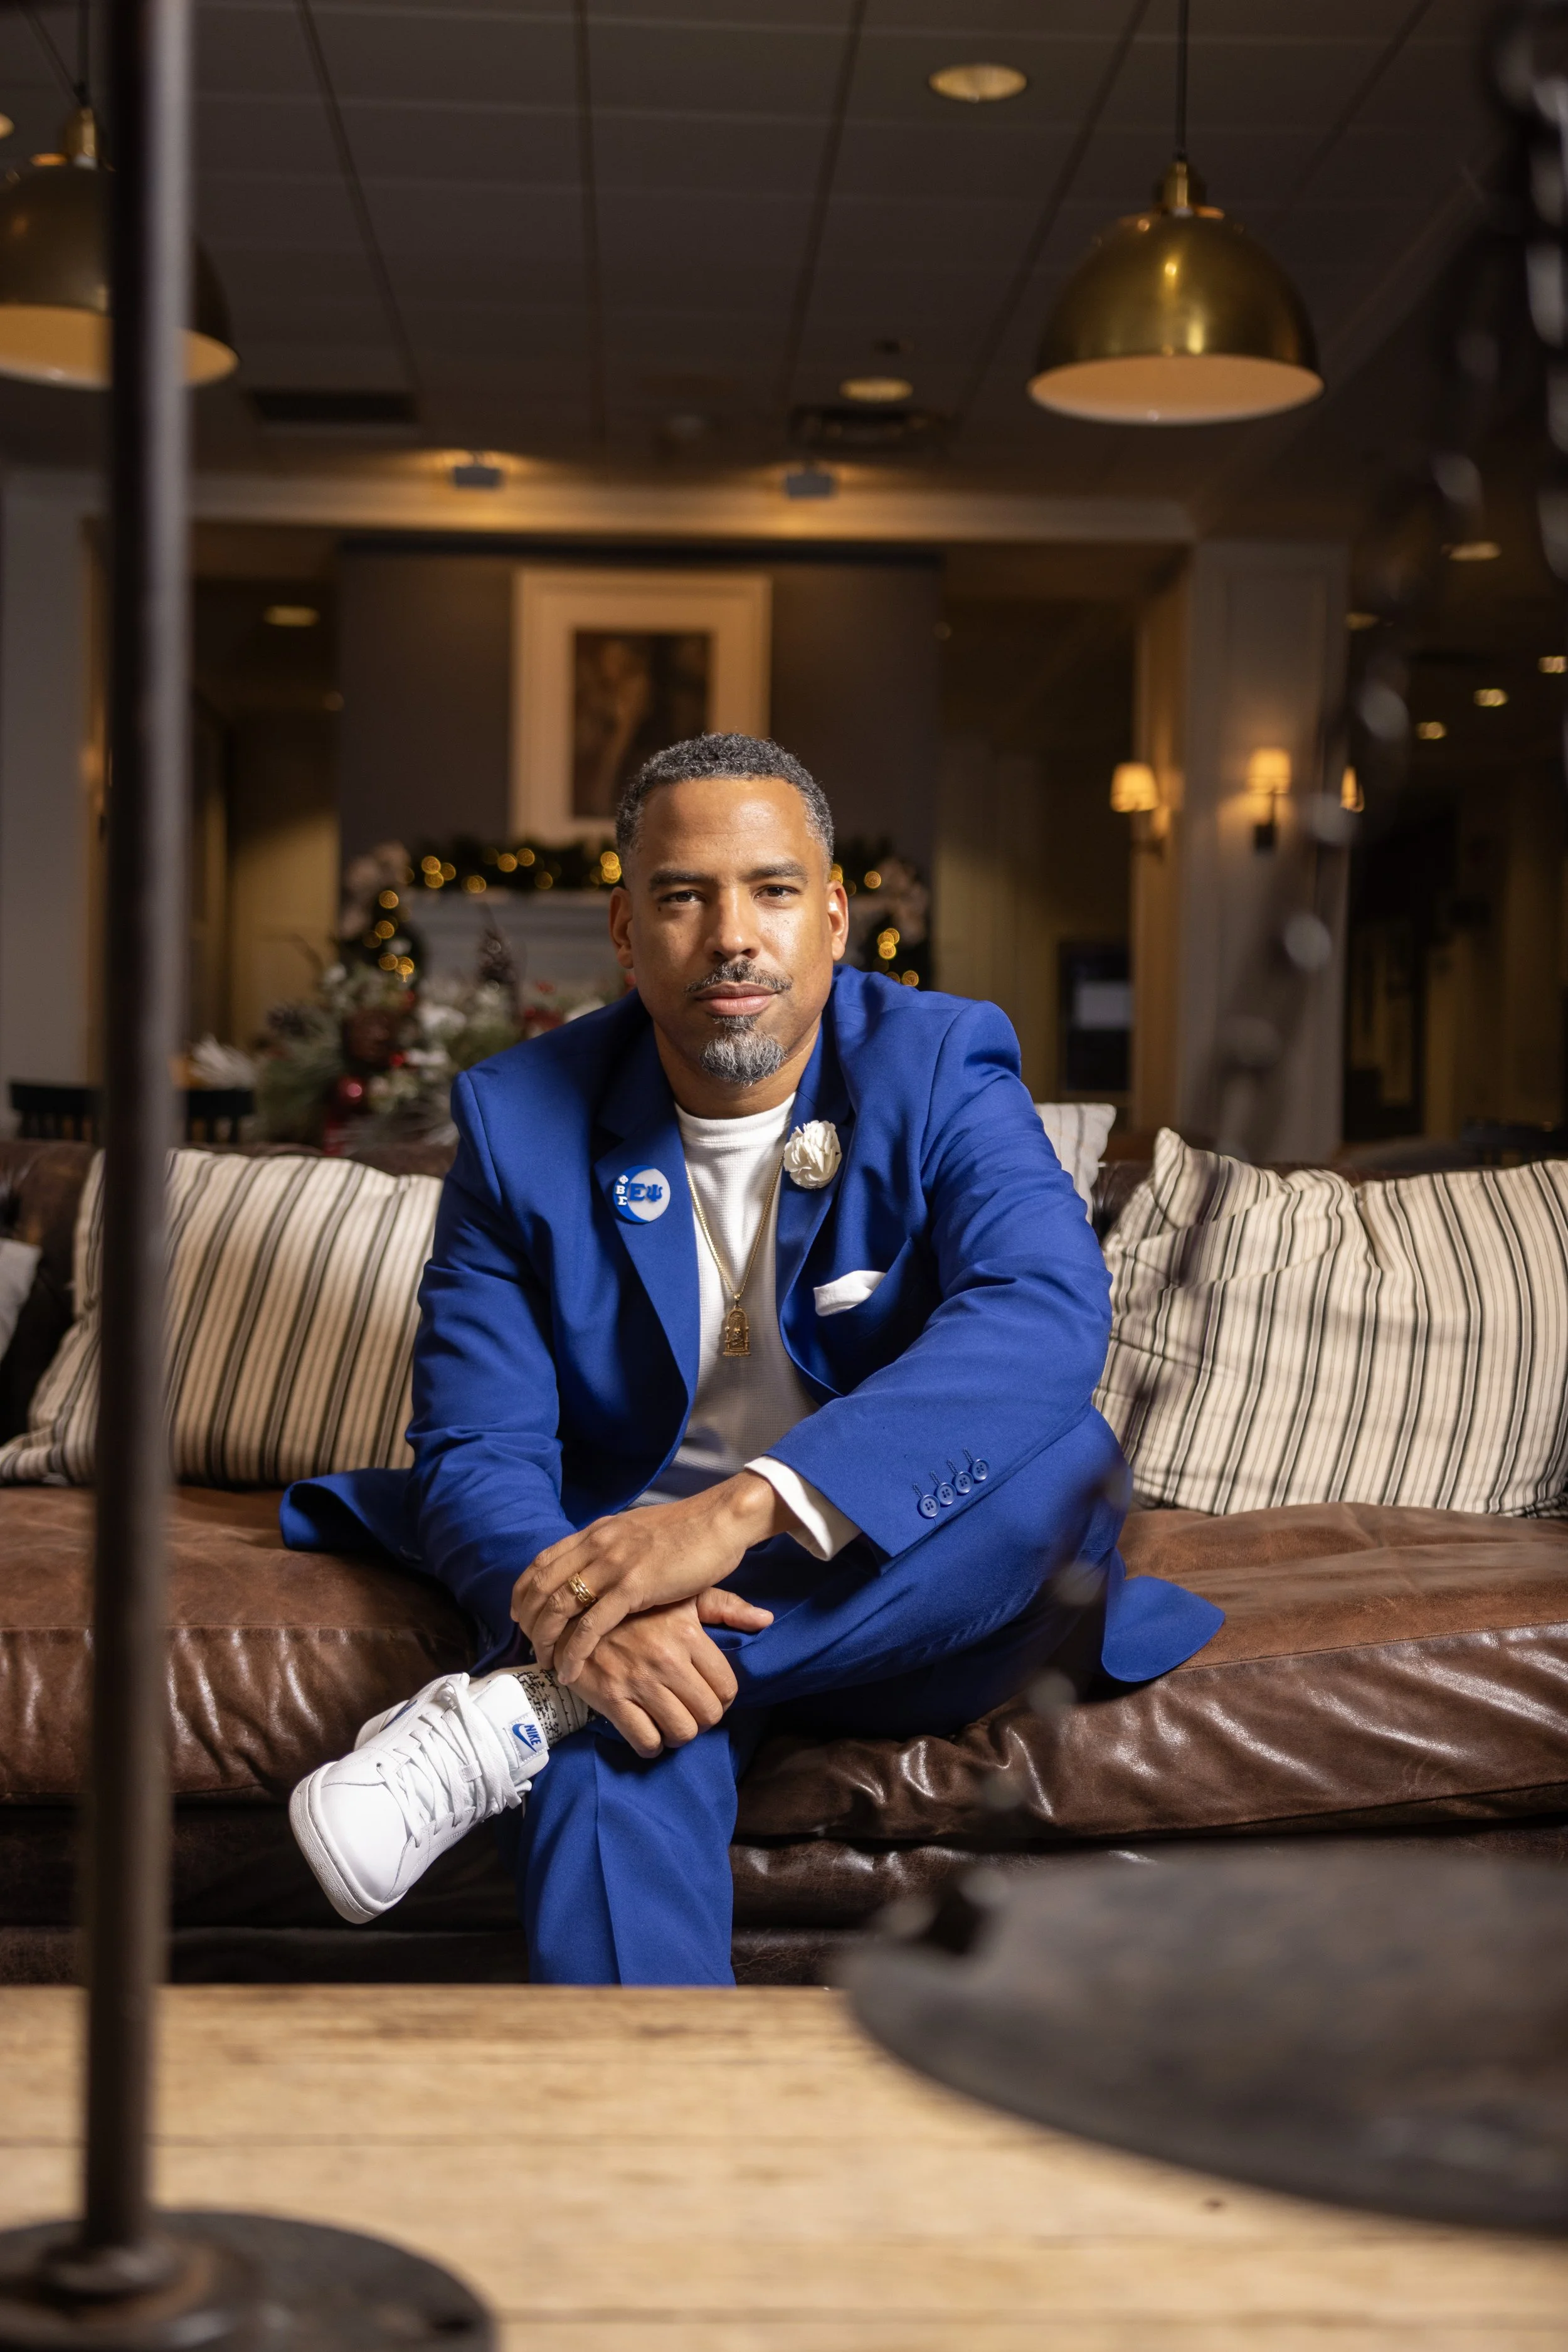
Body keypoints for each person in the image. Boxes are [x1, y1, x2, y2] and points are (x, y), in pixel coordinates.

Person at [283, 733, 1222, 1984]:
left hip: (921, 1606)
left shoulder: (938, 1063)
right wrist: (589, 1616)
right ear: (625, 932)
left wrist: (736, 1515)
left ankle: (531, 1708)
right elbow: (477, 1447)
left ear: (832, 918)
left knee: (1061, 1453)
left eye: (773, 891)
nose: (734, 934)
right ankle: (656, 2162)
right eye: (684, 896)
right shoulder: (520, 1120)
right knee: (618, 1745)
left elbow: (1041, 1314)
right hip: (635, 1618)